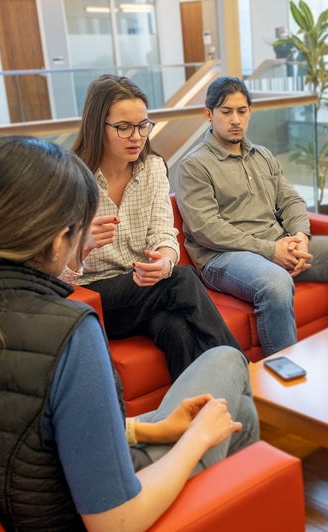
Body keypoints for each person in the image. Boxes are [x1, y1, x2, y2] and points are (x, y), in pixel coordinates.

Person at [0, 136, 259, 529]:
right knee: (227, 365)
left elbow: (23, 431)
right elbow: (116, 522)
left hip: (37, 496)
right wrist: (196, 438)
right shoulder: (67, 332)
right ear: (59, 240)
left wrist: (148, 428)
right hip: (102, 509)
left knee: (232, 410)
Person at [172, 76, 328, 357]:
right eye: (226, 112)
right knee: (276, 282)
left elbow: (291, 200)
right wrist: (271, 251)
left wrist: (300, 237)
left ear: (250, 112)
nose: (235, 120)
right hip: (222, 257)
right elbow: (206, 228)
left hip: (277, 243)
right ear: (209, 114)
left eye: (241, 111)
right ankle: (284, 377)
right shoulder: (194, 165)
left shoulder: (263, 156)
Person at [69, 74, 242, 380]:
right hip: (94, 298)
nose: (136, 137)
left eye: (142, 126)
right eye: (123, 127)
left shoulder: (151, 168)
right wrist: (81, 245)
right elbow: (52, 274)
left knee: (175, 328)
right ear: (97, 126)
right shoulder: (70, 180)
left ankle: (197, 405)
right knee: (182, 278)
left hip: (144, 290)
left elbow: (164, 233)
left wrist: (164, 261)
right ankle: (243, 373)